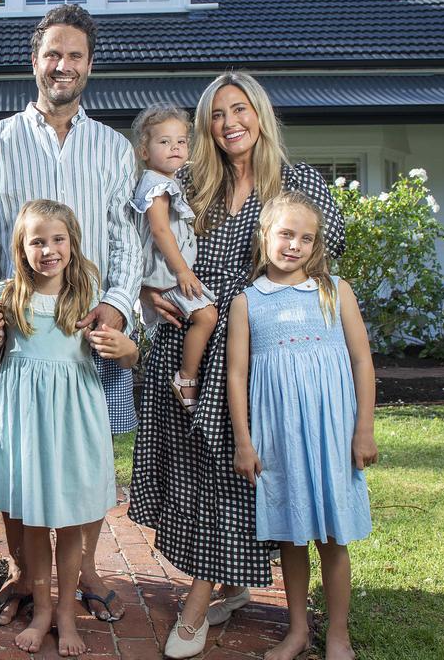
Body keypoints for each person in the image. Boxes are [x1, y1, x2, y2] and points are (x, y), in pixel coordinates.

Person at [127, 72, 346, 659]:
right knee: (195, 473)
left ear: (260, 114)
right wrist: (148, 294)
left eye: (239, 109)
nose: (229, 124)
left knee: (229, 470)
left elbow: (322, 261)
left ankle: (197, 608)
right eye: (217, 115)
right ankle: (231, 578)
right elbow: (143, 239)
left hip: (249, 347)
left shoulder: (296, 182)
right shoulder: (191, 178)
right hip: (185, 339)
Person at [0, 3, 142, 626]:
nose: (63, 65)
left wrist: (115, 308)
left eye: (76, 56)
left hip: (86, 337)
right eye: (52, 54)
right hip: (20, 329)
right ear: (34, 61)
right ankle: (23, 576)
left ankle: (81, 574)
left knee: (81, 462)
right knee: (21, 458)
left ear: (90, 66)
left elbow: (125, 239)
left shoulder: (113, 149)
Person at [0, 200, 138, 657]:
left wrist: (125, 348)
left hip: (74, 423)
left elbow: (128, 356)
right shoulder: (8, 296)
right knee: (35, 525)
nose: (48, 249)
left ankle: (66, 614)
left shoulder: (88, 294)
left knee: (71, 524)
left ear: (72, 242)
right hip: (26, 425)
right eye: (37, 241)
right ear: (21, 249)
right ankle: (42, 611)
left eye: (57, 239)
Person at [227, 191, 377, 660]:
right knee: (292, 535)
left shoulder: (336, 290)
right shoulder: (247, 302)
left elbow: (361, 360)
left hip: (332, 432)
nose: (294, 245)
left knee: (333, 537)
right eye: (286, 234)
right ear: (264, 236)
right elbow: (237, 374)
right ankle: (296, 632)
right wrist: (244, 443)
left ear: (316, 246)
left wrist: (364, 428)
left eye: (306, 238)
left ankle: (337, 635)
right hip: (280, 436)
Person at [130, 104, 217, 413]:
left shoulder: (162, 182)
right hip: (167, 273)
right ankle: (186, 376)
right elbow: (160, 230)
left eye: (180, 141)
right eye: (164, 142)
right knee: (206, 317)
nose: (175, 148)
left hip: (165, 274)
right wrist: (182, 271)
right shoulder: (159, 186)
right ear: (144, 150)